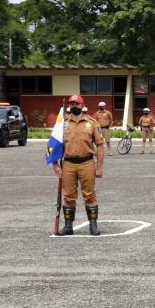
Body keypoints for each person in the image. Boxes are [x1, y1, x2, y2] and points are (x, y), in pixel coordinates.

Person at [53, 95, 105, 236]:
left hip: (87, 162)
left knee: (89, 195)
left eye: (76, 103)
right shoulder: (62, 123)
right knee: (69, 196)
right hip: (68, 164)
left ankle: (93, 225)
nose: (74, 106)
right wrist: (56, 165)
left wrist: (99, 167)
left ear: (82, 105)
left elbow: (100, 146)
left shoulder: (92, 123)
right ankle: (68, 226)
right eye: (71, 104)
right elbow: (54, 145)